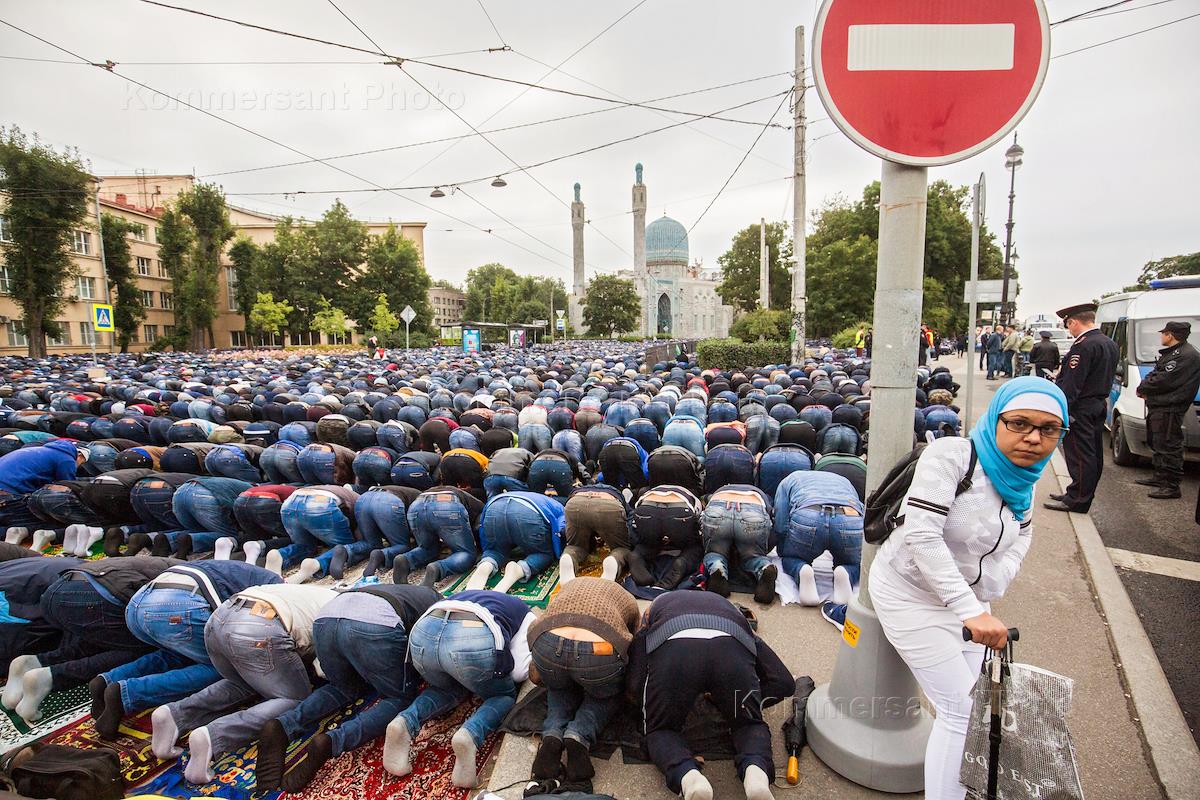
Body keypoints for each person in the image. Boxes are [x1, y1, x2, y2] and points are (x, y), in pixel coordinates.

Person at [871, 376, 1069, 800]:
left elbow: (1024, 535)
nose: (1033, 438)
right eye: (1019, 423)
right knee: (961, 712)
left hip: (973, 604)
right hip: (912, 595)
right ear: (996, 418)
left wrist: (991, 586)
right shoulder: (952, 456)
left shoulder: (1024, 477)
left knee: (979, 710)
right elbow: (922, 536)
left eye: (1048, 429)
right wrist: (970, 607)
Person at [256, 583, 441, 792]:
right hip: (375, 624)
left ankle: (284, 725)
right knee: (398, 698)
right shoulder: (436, 603)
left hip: (325, 620)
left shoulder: (393, 588)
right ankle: (331, 742)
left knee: (342, 686)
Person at [151, 583, 337, 785]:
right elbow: (323, 669)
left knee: (244, 681)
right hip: (259, 628)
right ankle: (213, 737)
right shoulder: (338, 614)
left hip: (220, 618)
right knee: (293, 698)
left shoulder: (322, 593)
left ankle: (174, 714)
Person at [626, 590, 794, 800]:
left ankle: (688, 777)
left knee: (661, 730)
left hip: (676, 651)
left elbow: (634, 680)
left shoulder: (653, 611)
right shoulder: (734, 614)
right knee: (748, 724)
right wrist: (738, 701)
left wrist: (651, 704)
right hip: (730, 649)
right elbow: (784, 682)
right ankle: (756, 774)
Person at [89, 559, 282, 739]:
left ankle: (108, 680)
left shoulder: (239, 570)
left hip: (139, 603)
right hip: (177, 604)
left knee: (178, 654)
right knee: (224, 667)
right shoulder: (276, 589)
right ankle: (128, 693)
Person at [383, 589, 534, 789]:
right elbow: (519, 672)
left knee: (444, 688)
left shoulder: (468, 595)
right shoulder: (527, 615)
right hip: (473, 636)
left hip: (424, 632)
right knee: (503, 696)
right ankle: (470, 735)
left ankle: (405, 721)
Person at [527, 577, 640, 783]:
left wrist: (539, 670)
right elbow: (635, 644)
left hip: (548, 643)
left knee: (559, 688)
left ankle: (552, 734)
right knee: (605, 696)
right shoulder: (628, 600)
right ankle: (579, 734)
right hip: (599, 651)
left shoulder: (569, 585)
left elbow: (537, 624)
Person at [1044, 304, 1119, 514]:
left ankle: (1077, 499)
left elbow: (1072, 383)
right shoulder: (1108, 342)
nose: (1069, 330)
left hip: (1080, 407)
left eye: (1068, 325)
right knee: (1092, 453)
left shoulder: (1084, 346)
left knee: (1079, 454)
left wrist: (1060, 408)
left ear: (1073, 322)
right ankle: (1076, 493)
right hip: (1096, 404)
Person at [1135, 321, 1200, 499]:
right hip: (1161, 405)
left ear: (1170, 335)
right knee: (1158, 443)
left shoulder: (1186, 356)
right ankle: (1160, 477)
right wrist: (1145, 386)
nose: (1161, 336)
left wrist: (1144, 388)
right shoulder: (1173, 353)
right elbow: (1155, 373)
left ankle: (1171, 486)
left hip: (1170, 407)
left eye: (1163, 333)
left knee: (1169, 445)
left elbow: (1163, 380)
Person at [701, 484, 777, 604]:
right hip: (753, 511)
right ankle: (763, 566)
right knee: (753, 556)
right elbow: (772, 529)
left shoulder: (719, 490)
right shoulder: (762, 495)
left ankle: (717, 566)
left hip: (718, 507)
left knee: (714, 552)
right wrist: (764, 551)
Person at [0, 440, 85, 538]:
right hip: (8, 494)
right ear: (79, 455)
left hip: (6, 490)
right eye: (82, 462)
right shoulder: (67, 459)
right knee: (42, 525)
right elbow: (68, 486)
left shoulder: (36, 451)